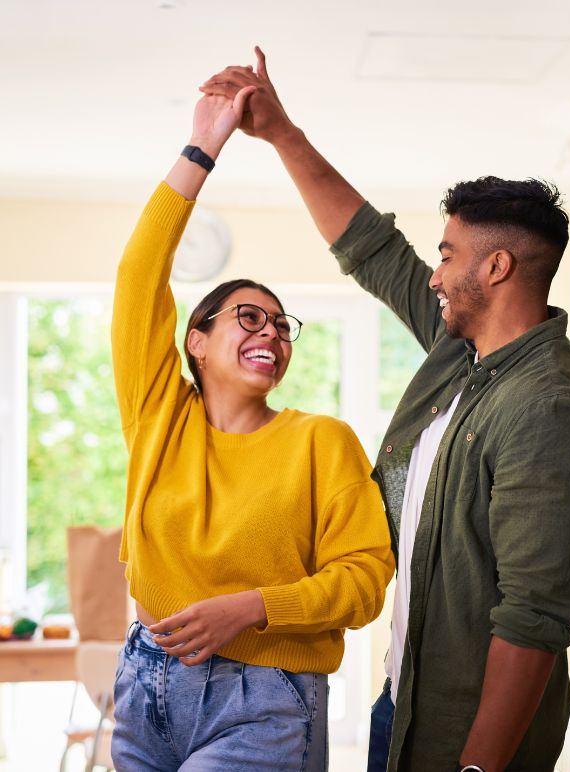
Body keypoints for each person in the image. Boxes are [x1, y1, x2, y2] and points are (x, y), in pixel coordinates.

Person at [203, 49, 570, 772]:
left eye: (448, 255)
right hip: (405, 703)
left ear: (494, 269)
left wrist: (476, 769)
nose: (433, 273)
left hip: (462, 737)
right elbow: (372, 250)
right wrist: (278, 131)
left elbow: (533, 622)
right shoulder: (463, 353)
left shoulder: (542, 408)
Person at [110, 79, 394, 771]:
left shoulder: (319, 441)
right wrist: (203, 145)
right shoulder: (159, 418)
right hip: (144, 683)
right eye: (248, 316)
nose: (271, 330)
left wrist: (251, 608)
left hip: (264, 698)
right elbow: (138, 277)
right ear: (195, 342)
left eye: (280, 323)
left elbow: (364, 578)